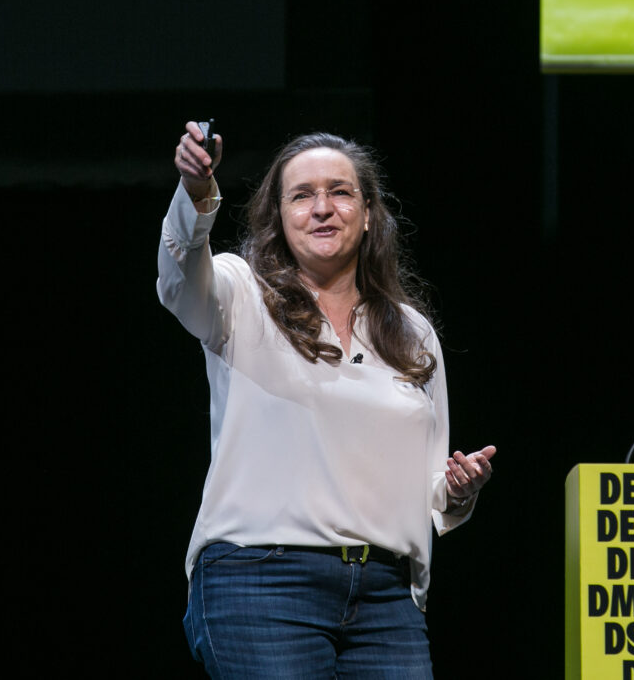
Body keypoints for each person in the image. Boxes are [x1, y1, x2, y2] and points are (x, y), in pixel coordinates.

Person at [158, 121, 496, 678]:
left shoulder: (411, 332)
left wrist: (458, 490)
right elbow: (176, 280)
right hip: (261, 582)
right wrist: (196, 192)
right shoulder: (239, 294)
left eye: (340, 192)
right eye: (302, 195)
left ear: (368, 215)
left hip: (387, 600)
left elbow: (432, 488)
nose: (322, 208)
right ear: (279, 216)